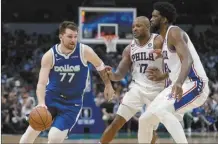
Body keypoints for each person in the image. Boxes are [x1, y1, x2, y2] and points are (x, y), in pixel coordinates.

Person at [19, 21, 115, 143]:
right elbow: (41, 83)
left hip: (71, 104)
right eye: (70, 36)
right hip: (51, 99)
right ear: (61, 37)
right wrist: (41, 103)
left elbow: (101, 66)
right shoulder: (50, 56)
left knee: (53, 138)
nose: (73, 40)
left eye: (75, 36)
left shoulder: (84, 51)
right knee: (27, 138)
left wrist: (108, 85)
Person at [138, 2, 209, 143]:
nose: (151, 19)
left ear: (164, 19)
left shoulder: (174, 32)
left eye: (154, 16)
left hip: (194, 83)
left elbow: (187, 60)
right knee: (144, 119)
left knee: (163, 111)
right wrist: (162, 75)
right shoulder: (164, 40)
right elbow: (175, 66)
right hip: (177, 85)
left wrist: (178, 82)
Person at [99, 16, 164, 144]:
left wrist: (164, 73)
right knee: (116, 122)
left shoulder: (158, 40)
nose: (135, 28)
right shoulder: (130, 48)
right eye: (133, 26)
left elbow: (173, 62)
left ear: (147, 27)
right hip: (137, 89)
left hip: (158, 90)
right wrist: (111, 75)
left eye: (138, 26)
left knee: (148, 127)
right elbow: (119, 74)